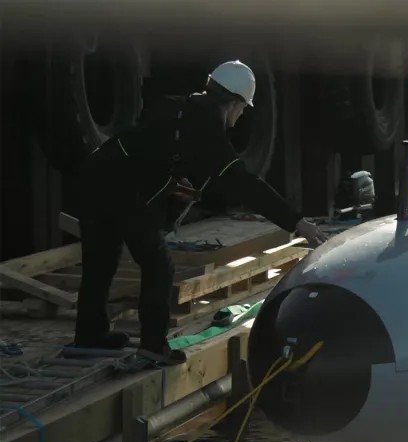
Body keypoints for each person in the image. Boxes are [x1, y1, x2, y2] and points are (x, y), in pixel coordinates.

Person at [72, 60, 327, 366]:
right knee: (158, 267)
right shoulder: (207, 130)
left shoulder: (181, 106)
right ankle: (153, 347)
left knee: (100, 261)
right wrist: (296, 222)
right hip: (122, 192)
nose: (241, 116)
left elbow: (153, 153)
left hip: (95, 177)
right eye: (242, 109)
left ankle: (89, 336)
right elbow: (245, 184)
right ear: (233, 104)